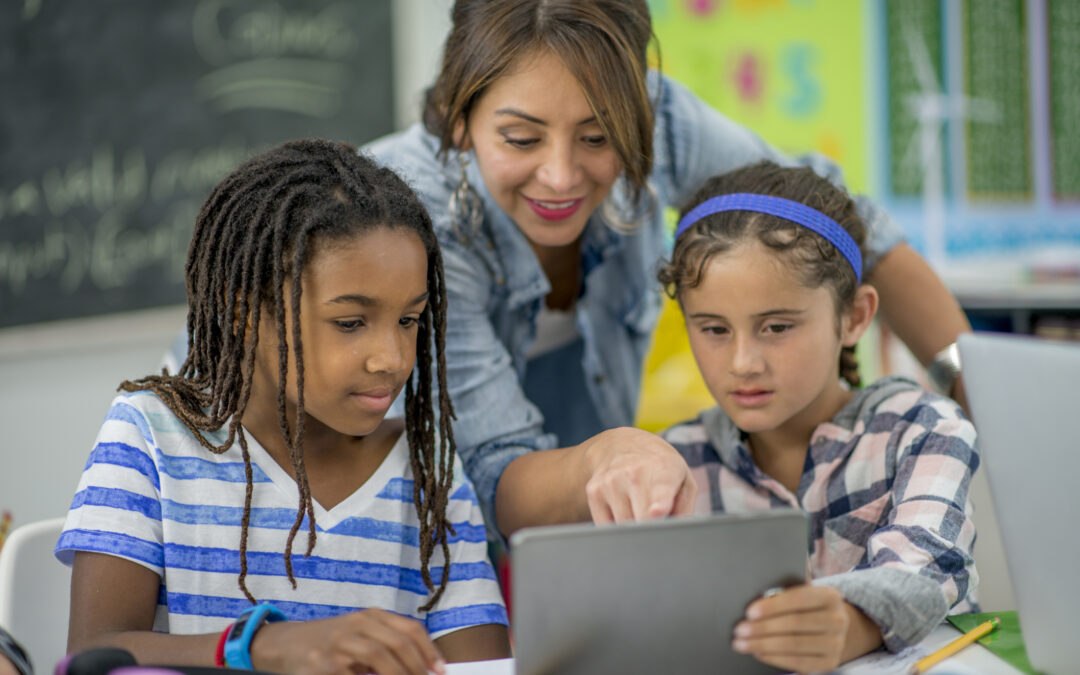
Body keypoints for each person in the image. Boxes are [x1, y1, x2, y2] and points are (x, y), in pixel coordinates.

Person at [165, 0, 972, 542]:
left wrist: (978, 397)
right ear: (458, 115)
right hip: (285, 501)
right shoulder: (415, 222)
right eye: (520, 138)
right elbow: (490, 472)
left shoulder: (654, 119)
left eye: (597, 138)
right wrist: (607, 457)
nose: (561, 176)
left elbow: (842, 224)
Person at [55, 140, 510, 674]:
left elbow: (485, 669)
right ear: (245, 311)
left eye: (408, 320)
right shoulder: (150, 434)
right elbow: (90, 656)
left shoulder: (428, 468)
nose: (391, 358)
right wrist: (260, 647)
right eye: (350, 323)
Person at [656, 161, 979, 673]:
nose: (743, 363)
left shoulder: (923, 428)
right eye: (714, 329)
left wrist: (853, 620)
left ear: (853, 317)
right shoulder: (672, 463)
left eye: (777, 326)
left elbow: (929, 567)